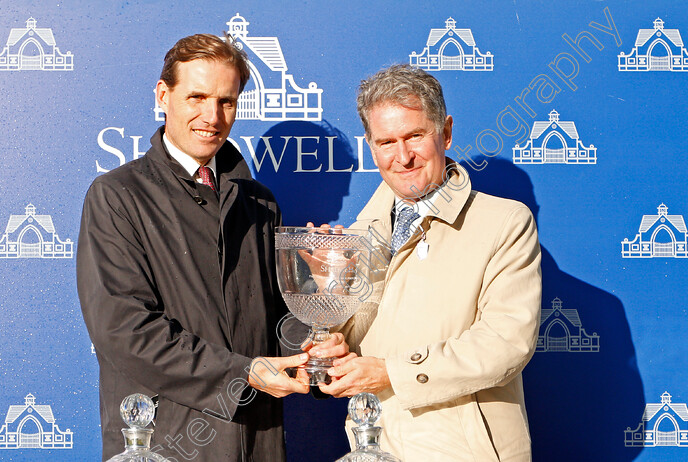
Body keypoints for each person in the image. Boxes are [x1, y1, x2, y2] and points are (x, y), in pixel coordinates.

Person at [77, 34, 326, 461]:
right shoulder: (117, 195)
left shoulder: (260, 202)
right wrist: (242, 374)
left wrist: (316, 339)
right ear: (163, 95)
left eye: (226, 101)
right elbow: (123, 328)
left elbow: (275, 319)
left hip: (257, 439)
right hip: (167, 443)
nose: (212, 116)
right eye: (197, 96)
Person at [318, 64, 542, 461]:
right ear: (371, 146)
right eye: (387, 142)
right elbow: (351, 339)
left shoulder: (505, 222)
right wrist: (327, 319)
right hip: (377, 447)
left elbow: (506, 343)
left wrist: (393, 372)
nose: (402, 157)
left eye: (415, 136)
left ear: (446, 132)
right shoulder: (356, 234)